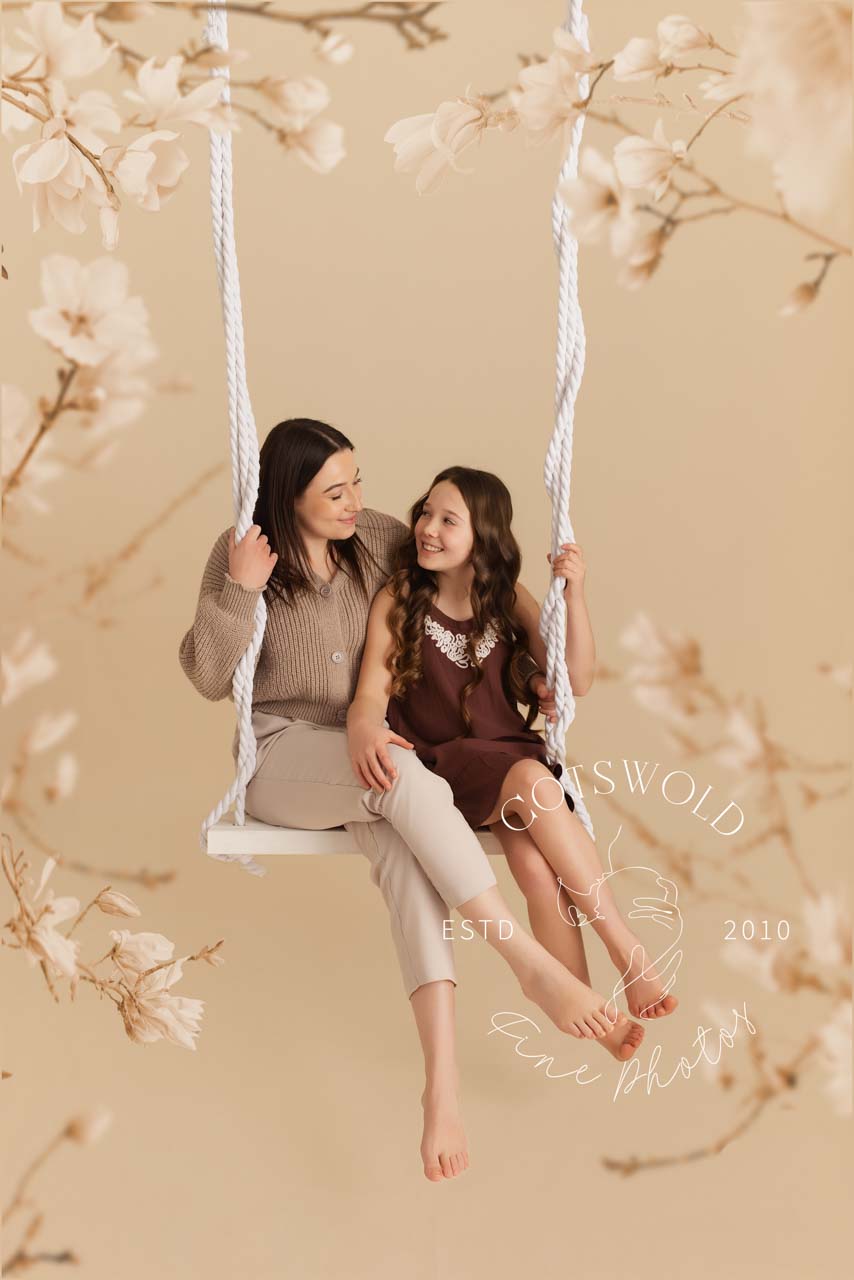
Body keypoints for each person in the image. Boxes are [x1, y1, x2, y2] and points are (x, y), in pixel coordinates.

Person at [179, 420, 626, 1183]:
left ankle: (441, 1089)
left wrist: (538, 658)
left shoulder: (380, 538)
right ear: (289, 498)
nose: (357, 502)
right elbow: (208, 673)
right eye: (334, 492)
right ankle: (527, 962)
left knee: (411, 867)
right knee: (406, 776)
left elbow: (463, 574)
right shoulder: (243, 554)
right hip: (284, 752)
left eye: (358, 482)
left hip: (370, 763)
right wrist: (241, 590)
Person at [348, 465, 679, 1074]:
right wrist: (364, 724)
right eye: (427, 514)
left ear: (485, 535)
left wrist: (574, 594)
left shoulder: (507, 598)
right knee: (534, 781)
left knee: (533, 867)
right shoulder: (400, 596)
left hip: (506, 761)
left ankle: (584, 1003)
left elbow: (576, 680)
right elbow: (371, 689)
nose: (428, 529)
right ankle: (626, 948)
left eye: (449, 520)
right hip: (444, 766)